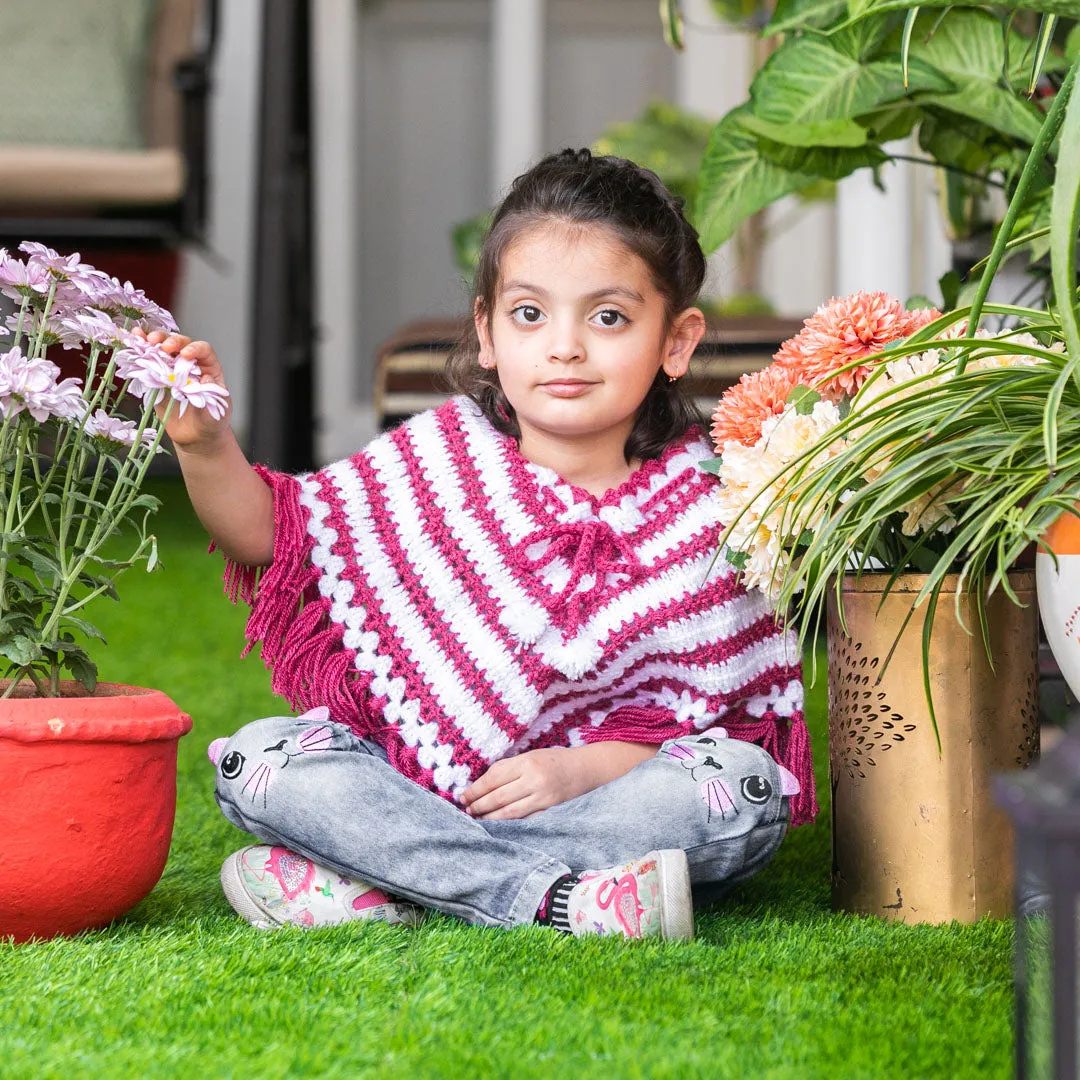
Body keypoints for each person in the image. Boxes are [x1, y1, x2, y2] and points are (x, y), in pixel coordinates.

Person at [159, 148, 817, 941]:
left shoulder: (715, 506)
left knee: (742, 792)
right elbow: (270, 530)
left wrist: (575, 769)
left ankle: (393, 880)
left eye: (608, 317)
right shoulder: (439, 461)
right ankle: (563, 901)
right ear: (488, 333)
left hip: (604, 801)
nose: (565, 346)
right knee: (263, 763)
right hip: (412, 785)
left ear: (675, 341)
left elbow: (720, 729)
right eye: (530, 315)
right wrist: (203, 444)